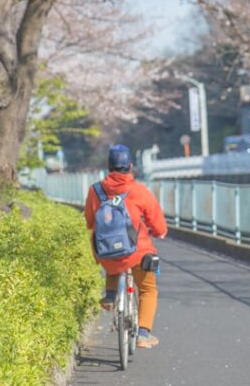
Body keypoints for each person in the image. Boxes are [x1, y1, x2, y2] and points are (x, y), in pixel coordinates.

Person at [84, 144, 168, 349]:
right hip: (138, 252)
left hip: (106, 252)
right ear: (130, 166)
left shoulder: (95, 191)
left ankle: (111, 296)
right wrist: (159, 232)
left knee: (114, 257)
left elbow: (89, 221)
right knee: (148, 290)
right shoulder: (139, 191)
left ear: (108, 166)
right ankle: (143, 333)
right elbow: (157, 224)